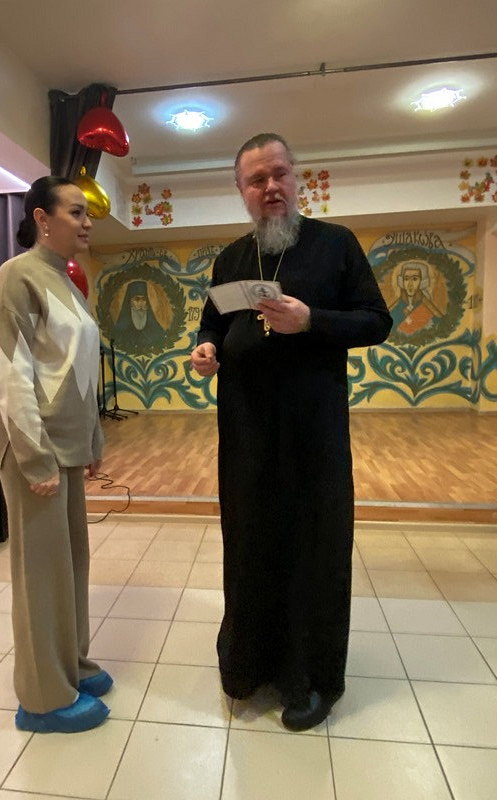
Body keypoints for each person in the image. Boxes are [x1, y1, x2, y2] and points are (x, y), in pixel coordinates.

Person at [191, 133, 392, 732]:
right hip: (246, 432)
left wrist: (311, 319)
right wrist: (205, 349)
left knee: (313, 547)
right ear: (242, 191)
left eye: (279, 173)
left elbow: (376, 321)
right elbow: (212, 322)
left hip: (313, 433)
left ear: (296, 178)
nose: (270, 187)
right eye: (257, 179)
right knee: (250, 543)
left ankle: (313, 678)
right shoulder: (231, 258)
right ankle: (249, 665)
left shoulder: (336, 244)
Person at [0, 176, 113, 733]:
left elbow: (77, 369)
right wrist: (35, 459)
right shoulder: (17, 277)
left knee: (70, 567)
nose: (87, 222)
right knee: (40, 575)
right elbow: (10, 375)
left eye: (87, 214)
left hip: (66, 447)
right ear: (42, 217)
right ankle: (41, 698)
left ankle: (70, 665)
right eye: (76, 212)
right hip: (33, 452)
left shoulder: (64, 278)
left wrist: (92, 439)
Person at [389, 260, 444, 334]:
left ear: (423, 282)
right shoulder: (395, 308)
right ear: (402, 282)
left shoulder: (429, 310)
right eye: (406, 279)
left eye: (414, 279)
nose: (410, 284)